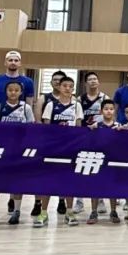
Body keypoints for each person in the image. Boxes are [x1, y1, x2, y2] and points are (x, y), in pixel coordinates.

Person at [35, 73, 83, 228]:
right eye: (65, 86)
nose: (68, 89)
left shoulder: (77, 106)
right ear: (59, 87)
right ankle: (43, 212)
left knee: (69, 181)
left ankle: (69, 212)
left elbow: (79, 128)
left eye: (70, 87)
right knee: (48, 181)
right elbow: (46, 128)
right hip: (53, 148)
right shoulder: (50, 105)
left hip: (70, 149)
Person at [0, 80, 35, 226]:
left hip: (19, 150)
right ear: (5, 92)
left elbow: (31, 128)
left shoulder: (26, 108)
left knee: (17, 181)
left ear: (21, 92)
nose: (13, 93)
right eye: (10, 90)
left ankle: (16, 211)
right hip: (1, 150)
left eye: (16, 90)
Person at [0, 50, 35, 115]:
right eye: (10, 60)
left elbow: (29, 106)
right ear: (5, 63)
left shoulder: (28, 82)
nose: (13, 62)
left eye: (16, 60)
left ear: (20, 63)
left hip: (20, 118)